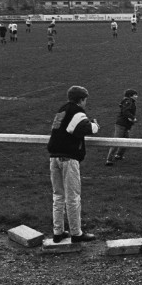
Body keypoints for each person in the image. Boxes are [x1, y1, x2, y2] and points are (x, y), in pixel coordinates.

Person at [47, 85, 99, 243]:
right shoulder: (77, 111)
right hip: (68, 159)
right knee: (73, 197)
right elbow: (82, 129)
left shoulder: (61, 110)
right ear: (82, 100)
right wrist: (95, 125)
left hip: (54, 156)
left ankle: (58, 232)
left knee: (58, 196)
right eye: (85, 100)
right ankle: (76, 233)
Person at [105, 89, 138, 166]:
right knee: (116, 141)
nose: (137, 96)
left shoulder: (129, 102)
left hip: (125, 125)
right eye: (135, 95)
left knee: (126, 140)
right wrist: (132, 118)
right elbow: (125, 111)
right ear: (130, 96)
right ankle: (109, 159)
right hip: (121, 125)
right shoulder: (128, 102)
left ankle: (119, 155)